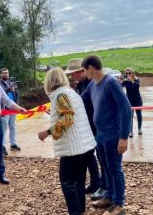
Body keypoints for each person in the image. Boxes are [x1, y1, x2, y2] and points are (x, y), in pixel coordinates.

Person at [38, 67, 97, 215]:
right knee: (79, 180)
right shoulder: (72, 93)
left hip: (73, 148)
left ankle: (75, 211)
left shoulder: (60, 96)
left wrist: (48, 132)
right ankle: (80, 209)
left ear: (50, 82)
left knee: (67, 181)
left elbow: (67, 119)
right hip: (85, 146)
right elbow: (72, 116)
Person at [81, 56, 132, 215]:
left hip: (113, 135)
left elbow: (126, 109)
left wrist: (123, 137)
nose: (83, 73)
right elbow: (81, 100)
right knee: (105, 166)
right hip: (101, 135)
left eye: (84, 70)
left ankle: (119, 204)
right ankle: (109, 196)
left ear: (90, 68)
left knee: (115, 168)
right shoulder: (92, 85)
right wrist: (61, 108)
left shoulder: (111, 83)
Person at [65, 58, 105, 197]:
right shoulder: (79, 85)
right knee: (89, 156)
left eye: (73, 74)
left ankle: (105, 187)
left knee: (101, 157)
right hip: (86, 126)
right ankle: (96, 182)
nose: (71, 77)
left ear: (82, 71)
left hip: (96, 127)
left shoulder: (92, 84)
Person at [0, 68, 21, 156]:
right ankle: (2, 146)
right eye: (4, 73)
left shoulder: (12, 83)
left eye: (7, 73)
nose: (6, 74)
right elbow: (0, 94)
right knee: (4, 127)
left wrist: (18, 105)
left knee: (13, 126)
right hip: (5, 108)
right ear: (0, 74)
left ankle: (13, 144)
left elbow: (17, 94)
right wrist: (8, 89)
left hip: (13, 107)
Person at [120, 67, 143, 137]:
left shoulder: (136, 80)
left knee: (139, 114)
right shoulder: (126, 81)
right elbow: (119, 87)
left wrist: (132, 81)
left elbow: (137, 87)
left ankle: (139, 129)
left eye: (129, 73)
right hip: (129, 101)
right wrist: (120, 81)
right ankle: (131, 131)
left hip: (137, 100)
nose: (128, 75)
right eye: (126, 73)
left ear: (133, 73)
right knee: (130, 116)